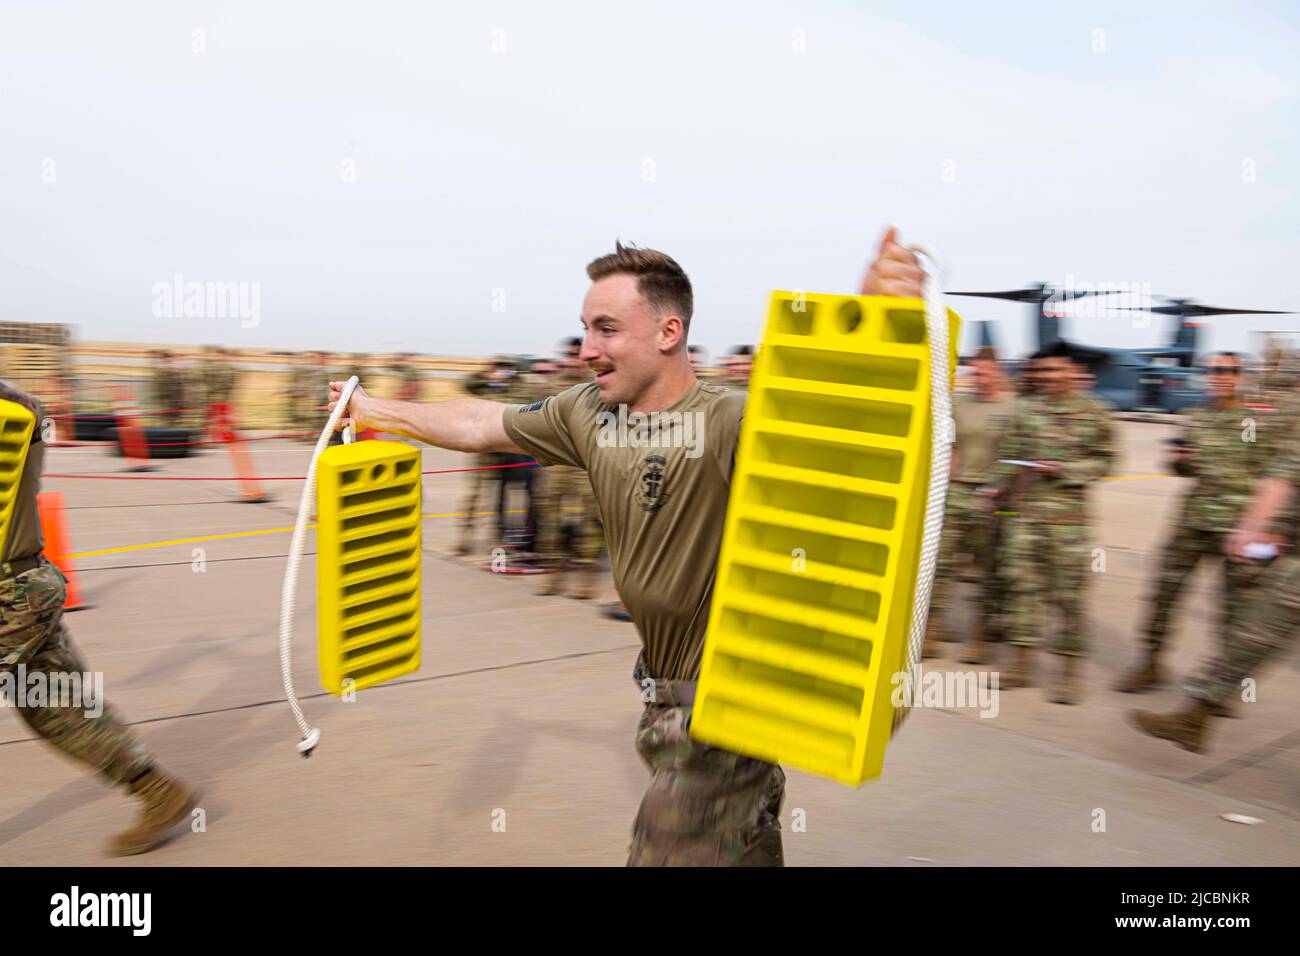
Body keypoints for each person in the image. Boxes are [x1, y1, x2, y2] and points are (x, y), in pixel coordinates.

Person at [329, 228, 925, 865]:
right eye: (585, 329)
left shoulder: (730, 420)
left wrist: (878, 324)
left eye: (606, 329)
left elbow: (840, 435)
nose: (587, 349)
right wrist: (372, 411)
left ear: (668, 333)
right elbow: (479, 422)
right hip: (662, 696)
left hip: (720, 713)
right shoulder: (587, 414)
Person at [0, 379, 198, 855]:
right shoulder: (22, 410)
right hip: (32, 587)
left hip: (8, 595)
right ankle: (158, 792)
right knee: (55, 705)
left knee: (54, 703)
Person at [1131, 398, 1299, 752]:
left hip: (1244, 532)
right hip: (1202, 524)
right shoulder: (1200, 417)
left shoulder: (1264, 423)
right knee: (1253, 633)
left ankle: (1200, 714)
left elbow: (1279, 480)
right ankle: (1196, 717)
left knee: (1251, 628)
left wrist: (1253, 528)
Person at [1115, 353, 1273, 697]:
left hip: (1235, 528)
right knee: (1164, 593)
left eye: (1227, 371)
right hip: (1193, 521)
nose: (1219, 376)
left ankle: (1225, 686)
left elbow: (1270, 476)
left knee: (1233, 608)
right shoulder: (1196, 417)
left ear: (1239, 377)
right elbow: (1184, 468)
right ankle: (1151, 663)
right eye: (1214, 370)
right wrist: (1179, 462)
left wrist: (1259, 526)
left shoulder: (1254, 423)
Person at [985, 342, 1116, 704]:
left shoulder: (1097, 414)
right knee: (1022, 589)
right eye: (1041, 372)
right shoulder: (1027, 411)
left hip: (1068, 522)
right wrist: (996, 487)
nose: (1047, 378)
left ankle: (1068, 673)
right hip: (1025, 516)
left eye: (1055, 371)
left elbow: (1107, 462)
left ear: (1071, 373)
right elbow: (1009, 457)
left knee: (1069, 597)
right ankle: (1020, 665)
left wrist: (1066, 470)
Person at [928, 346, 1017, 663]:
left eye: (984, 372)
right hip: (957, 492)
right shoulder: (959, 404)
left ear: (997, 372)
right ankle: (932, 632)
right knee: (941, 565)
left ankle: (981, 639)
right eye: (974, 372)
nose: (978, 377)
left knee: (988, 569)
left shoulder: (1013, 408)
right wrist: (944, 482)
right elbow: (949, 444)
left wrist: (999, 491)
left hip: (994, 498)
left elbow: (1016, 455)